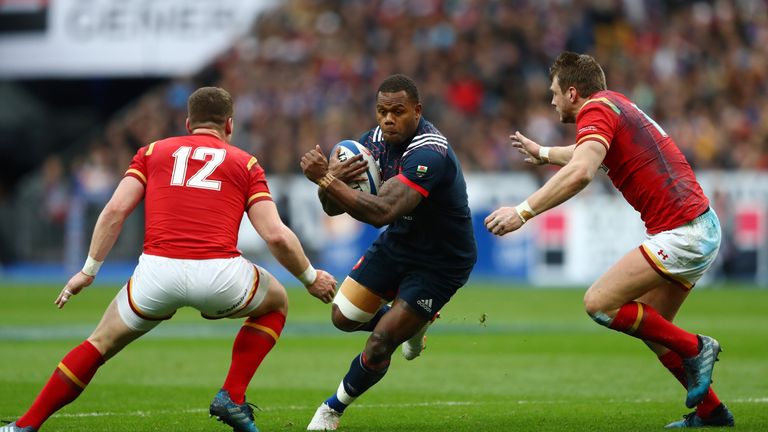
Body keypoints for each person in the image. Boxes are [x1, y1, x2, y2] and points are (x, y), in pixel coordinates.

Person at [0, 87, 337, 432]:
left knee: (98, 343)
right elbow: (276, 235)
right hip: (219, 276)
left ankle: (25, 426)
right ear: (230, 125)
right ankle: (232, 395)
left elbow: (115, 210)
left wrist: (88, 271)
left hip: (156, 274)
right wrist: (310, 278)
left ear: (188, 122)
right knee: (276, 302)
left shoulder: (152, 152)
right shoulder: (245, 162)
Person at [484, 52, 733, 428]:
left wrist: (521, 213)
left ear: (572, 92)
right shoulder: (613, 103)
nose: (551, 101)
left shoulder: (595, 110)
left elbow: (582, 171)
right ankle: (713, 414)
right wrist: (544, 153)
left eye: (553, 93)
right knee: (656, 331)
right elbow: (589, 154)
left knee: (600, 303)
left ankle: (697, 347)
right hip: (698, 225)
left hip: (683, 231)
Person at [300, 74, 477, 431]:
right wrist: (329, 180)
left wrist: (327, 180)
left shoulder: (430, 151)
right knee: (343, 317)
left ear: (417, 110)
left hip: (442, 260)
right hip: (399, 243)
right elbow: (332, 207)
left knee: (380, 343)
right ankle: (411, 323)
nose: (387, 119)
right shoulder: (372, 143)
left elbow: (383, 212)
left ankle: (332, 410)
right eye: (382, 111)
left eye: (397, 111)